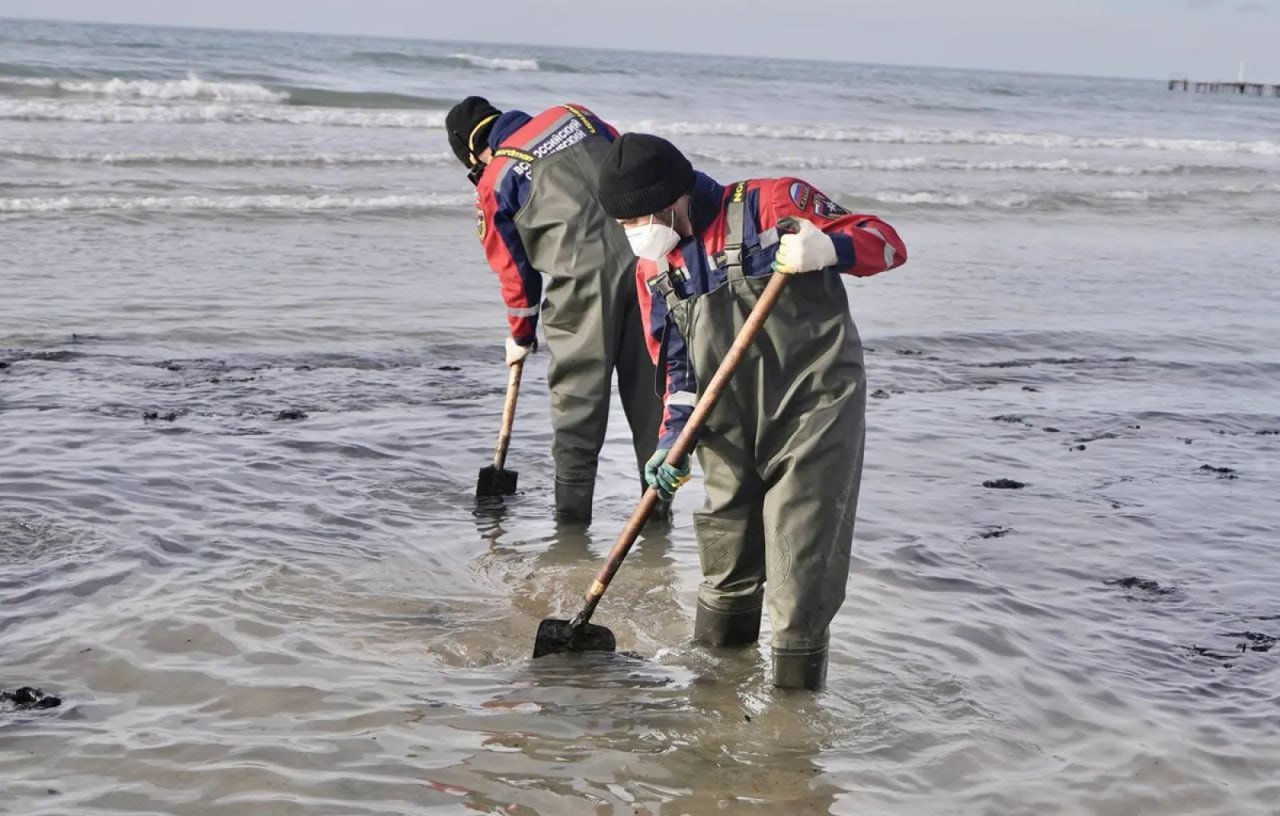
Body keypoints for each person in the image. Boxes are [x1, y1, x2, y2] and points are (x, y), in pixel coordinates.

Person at [594, 133, 909, 690]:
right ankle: (716, 690)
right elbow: (677, 373)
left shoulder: (774, 204)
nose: (633, 235)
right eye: (623, 227)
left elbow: (885, 242)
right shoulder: (654, 273)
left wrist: (829, 250)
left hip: (813, 408)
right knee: (726, 562)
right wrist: (672, 441)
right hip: (727, 426)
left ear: (671, 200)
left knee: (799, 563)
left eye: (636, 220)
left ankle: (791, 715)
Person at [445, 97, 664, 522]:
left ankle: (571, 529)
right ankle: (656, 520)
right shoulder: (576, 115)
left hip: (582, 292)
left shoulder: (496, 179)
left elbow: (517, 276)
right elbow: (631, 165)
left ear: (474, 153)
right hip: (649, 263)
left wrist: (520, 336)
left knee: (578, 412)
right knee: (654, 404)